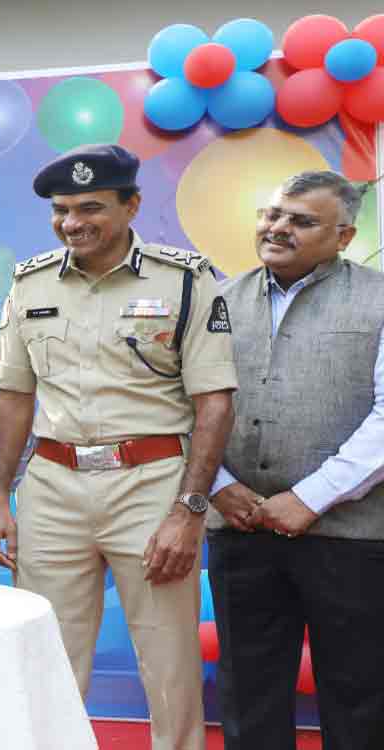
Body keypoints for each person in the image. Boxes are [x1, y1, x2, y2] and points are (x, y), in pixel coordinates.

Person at [0, 144, 238, 750]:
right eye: (62, 210)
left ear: (132, 206)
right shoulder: (30, 281)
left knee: (167, 658)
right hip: (52, 484)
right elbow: (13, 398)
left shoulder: (186, 280)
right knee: (45, 653)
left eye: (90, 207)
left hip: (151, 484)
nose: (73, 222)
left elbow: (215, 403)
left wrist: (189, 510)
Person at [207, 171, 384, 750]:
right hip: (240, 523)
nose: (278, 228)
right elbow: (180, 406)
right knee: (248, 689)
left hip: (349, 533)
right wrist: (219, 485)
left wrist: (310, 497)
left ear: (343, 235)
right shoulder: (216, 302)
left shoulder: (378, 297)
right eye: (272, 214)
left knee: (359, 690)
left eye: (301, 221)